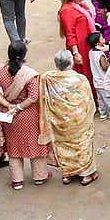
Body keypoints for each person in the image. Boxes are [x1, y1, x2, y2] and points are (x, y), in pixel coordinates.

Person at [0, 41, 52, 188]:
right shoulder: (30, 74)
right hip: (28, 115)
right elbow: (33, 97)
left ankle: (17, 180)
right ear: (24, 55)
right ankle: (39, 176)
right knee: (34, 144)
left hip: (8, 115)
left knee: (14, 148)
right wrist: (18, 107)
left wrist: (7, 105)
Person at [37, 50, 97, 185]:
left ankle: (67, 174)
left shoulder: (48, 78)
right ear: (71, 62)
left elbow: (43, 96)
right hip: (79, 120)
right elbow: (88, 100)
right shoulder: (80, 79)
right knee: (82, 144)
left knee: (63, 146)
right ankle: (85, 174)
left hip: (59, 121)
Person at [57, 0, 97, 91]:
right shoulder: (66, 11)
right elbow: (70, 34)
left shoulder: (80, 6)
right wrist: (76, 53)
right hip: (80, 46)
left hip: (87, 43)